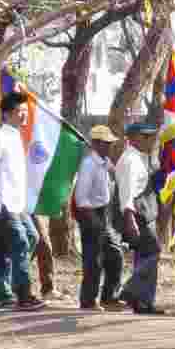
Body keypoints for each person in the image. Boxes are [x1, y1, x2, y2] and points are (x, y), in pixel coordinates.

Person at [0, 91, 46, 311]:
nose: (23, 115)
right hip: (4, 203)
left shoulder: (16, 137)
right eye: (18, 111)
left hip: (18, 203)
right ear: (6, 114)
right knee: (22, 241)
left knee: (26, 238)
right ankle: (24, 294)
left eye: (25, 111)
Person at [75, 125, 125, 311]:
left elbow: (117, 173)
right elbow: (81, 198)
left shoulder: (104, 162)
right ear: (95, 144)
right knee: (93, 260)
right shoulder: (89, 165)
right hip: (91, 214)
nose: (109, 146)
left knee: (115, 255)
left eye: (110, 143)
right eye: (105, 143)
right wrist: (93, 221)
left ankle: (109, 297)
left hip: (105, 214)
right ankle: (88, 300)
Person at [116, 122, 163, 315]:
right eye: (146, 137)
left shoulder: (140, 158)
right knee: (153, 253)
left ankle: (143, 302)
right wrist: (130, 219)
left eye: (152, 137)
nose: (151, 140)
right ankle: (130, 290)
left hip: (146, 213)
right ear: (134, 138)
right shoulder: (130, 161)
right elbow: (126, 193)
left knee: (144, 256)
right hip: (138, 215)